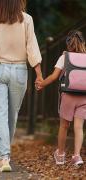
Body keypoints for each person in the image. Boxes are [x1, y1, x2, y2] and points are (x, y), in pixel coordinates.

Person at [0, 0, 42, 172]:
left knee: (0, 115)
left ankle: (4, 157)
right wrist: (39, 74)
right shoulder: (27, 19)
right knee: (12, 115)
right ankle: (5, 155)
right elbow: (32, 47)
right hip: (20, 71)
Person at [37, 30, 86, 166]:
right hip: (83, 97)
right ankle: (77, 156)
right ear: (84, 43)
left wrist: (41, 84)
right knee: (79, 127)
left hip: (68, 95)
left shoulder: (65, 57)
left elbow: (54, 77)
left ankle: (60, 155)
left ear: (68, 45)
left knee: (64, 126)